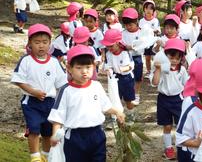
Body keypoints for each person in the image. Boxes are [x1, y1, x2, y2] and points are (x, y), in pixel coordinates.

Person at [48, 44, 125, 162]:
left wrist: (118, 112)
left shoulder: (96, 86)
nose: (84, 72)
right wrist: (54, 135)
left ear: (93, 66)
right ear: (69, 68)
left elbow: (106, 106)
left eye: (88, 67)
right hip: (75, 137)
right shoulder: (66, 90)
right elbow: (58, 116)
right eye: (79, 68)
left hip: (97, 134)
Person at [11, 24, 67, 162]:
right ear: (30, 43)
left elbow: (63, 84)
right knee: (34, 130)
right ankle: (35, 157)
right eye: (37, 42)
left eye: (44, 42)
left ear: (50, 43)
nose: (41, 46)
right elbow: (17, 79)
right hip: (32, 102)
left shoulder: (54, 62)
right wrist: (33, 91)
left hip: (50, 103)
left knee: (48, 133)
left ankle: (46, 156)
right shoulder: (26, 60)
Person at [151, 39, 188, 160]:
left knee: (180, 125)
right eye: (171, 57)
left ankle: (182, 146)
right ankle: (168, 148)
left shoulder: (181, 70)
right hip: (163, 100)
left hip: (178, 99)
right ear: (165, 55)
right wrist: (157, 69)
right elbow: (155, 83)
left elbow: (186, 85)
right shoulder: (161, 68)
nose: (174, 61)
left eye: (177, 58)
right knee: (167, 126)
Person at [101, 29, 136, 123]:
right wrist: (108, 70)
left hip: (127, 78)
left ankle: (130, 114)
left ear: (118, 43)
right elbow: (108, 65)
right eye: (107, 46)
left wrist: (122, 69)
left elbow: (130, 66)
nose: (109, 48)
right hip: (115, 78)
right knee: (115, 98)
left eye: (111, 46)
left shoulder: (125, 53)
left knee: (128, 100)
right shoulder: (109, 54)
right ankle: (116, 118)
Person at [121, 7, 143, 105]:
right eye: (126, 25)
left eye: (130, 24)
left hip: (137, 57)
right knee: (127, 76)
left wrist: (132, 47)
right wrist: (127, 47)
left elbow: (142, 45)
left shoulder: (141, 32)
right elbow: (121, 45)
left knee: (138, 77)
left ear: (136, 22)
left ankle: (137, 94)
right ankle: (129, 93)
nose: (128, 27)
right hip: (126, 58)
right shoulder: (123, 33)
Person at [139, 0, 161, 78]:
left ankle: (155, 71)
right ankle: (148, 71)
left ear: (153, 11)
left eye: (151, 8)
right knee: (147, 57)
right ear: (144, 9)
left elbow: (158, 31)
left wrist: (155, 31)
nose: (148, 10)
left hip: (153, 41)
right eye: (146, 8)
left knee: (155, 57)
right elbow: (140, 31)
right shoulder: (141, 21)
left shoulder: (155, 20)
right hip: (145, 42)